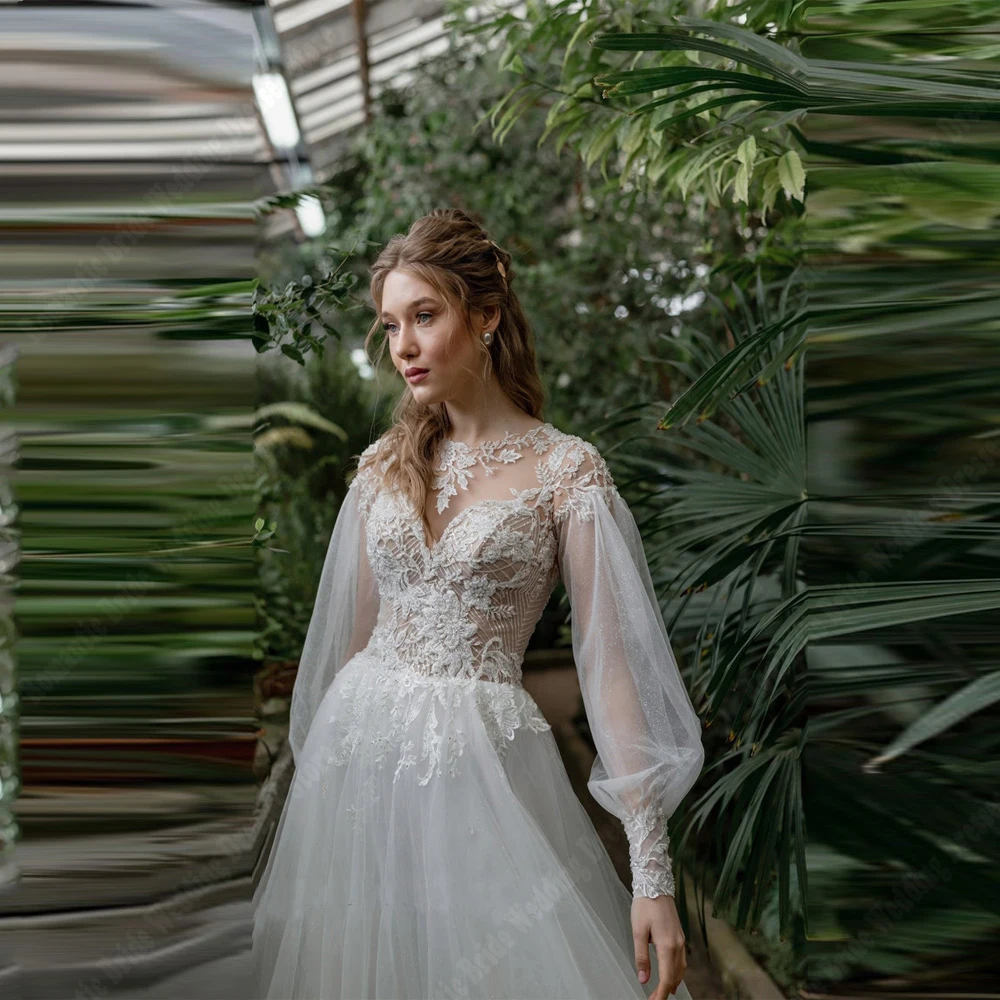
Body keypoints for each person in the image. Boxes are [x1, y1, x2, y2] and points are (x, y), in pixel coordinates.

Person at [251, 208, 705, 999]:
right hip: (355, 769)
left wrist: (651, 873)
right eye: (391, 324)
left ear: (486, 315)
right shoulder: (380, 466)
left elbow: (612, 676)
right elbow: (349, 641)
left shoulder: (568, 471)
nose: (404, 345)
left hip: (479, 775)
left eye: (425, 316)